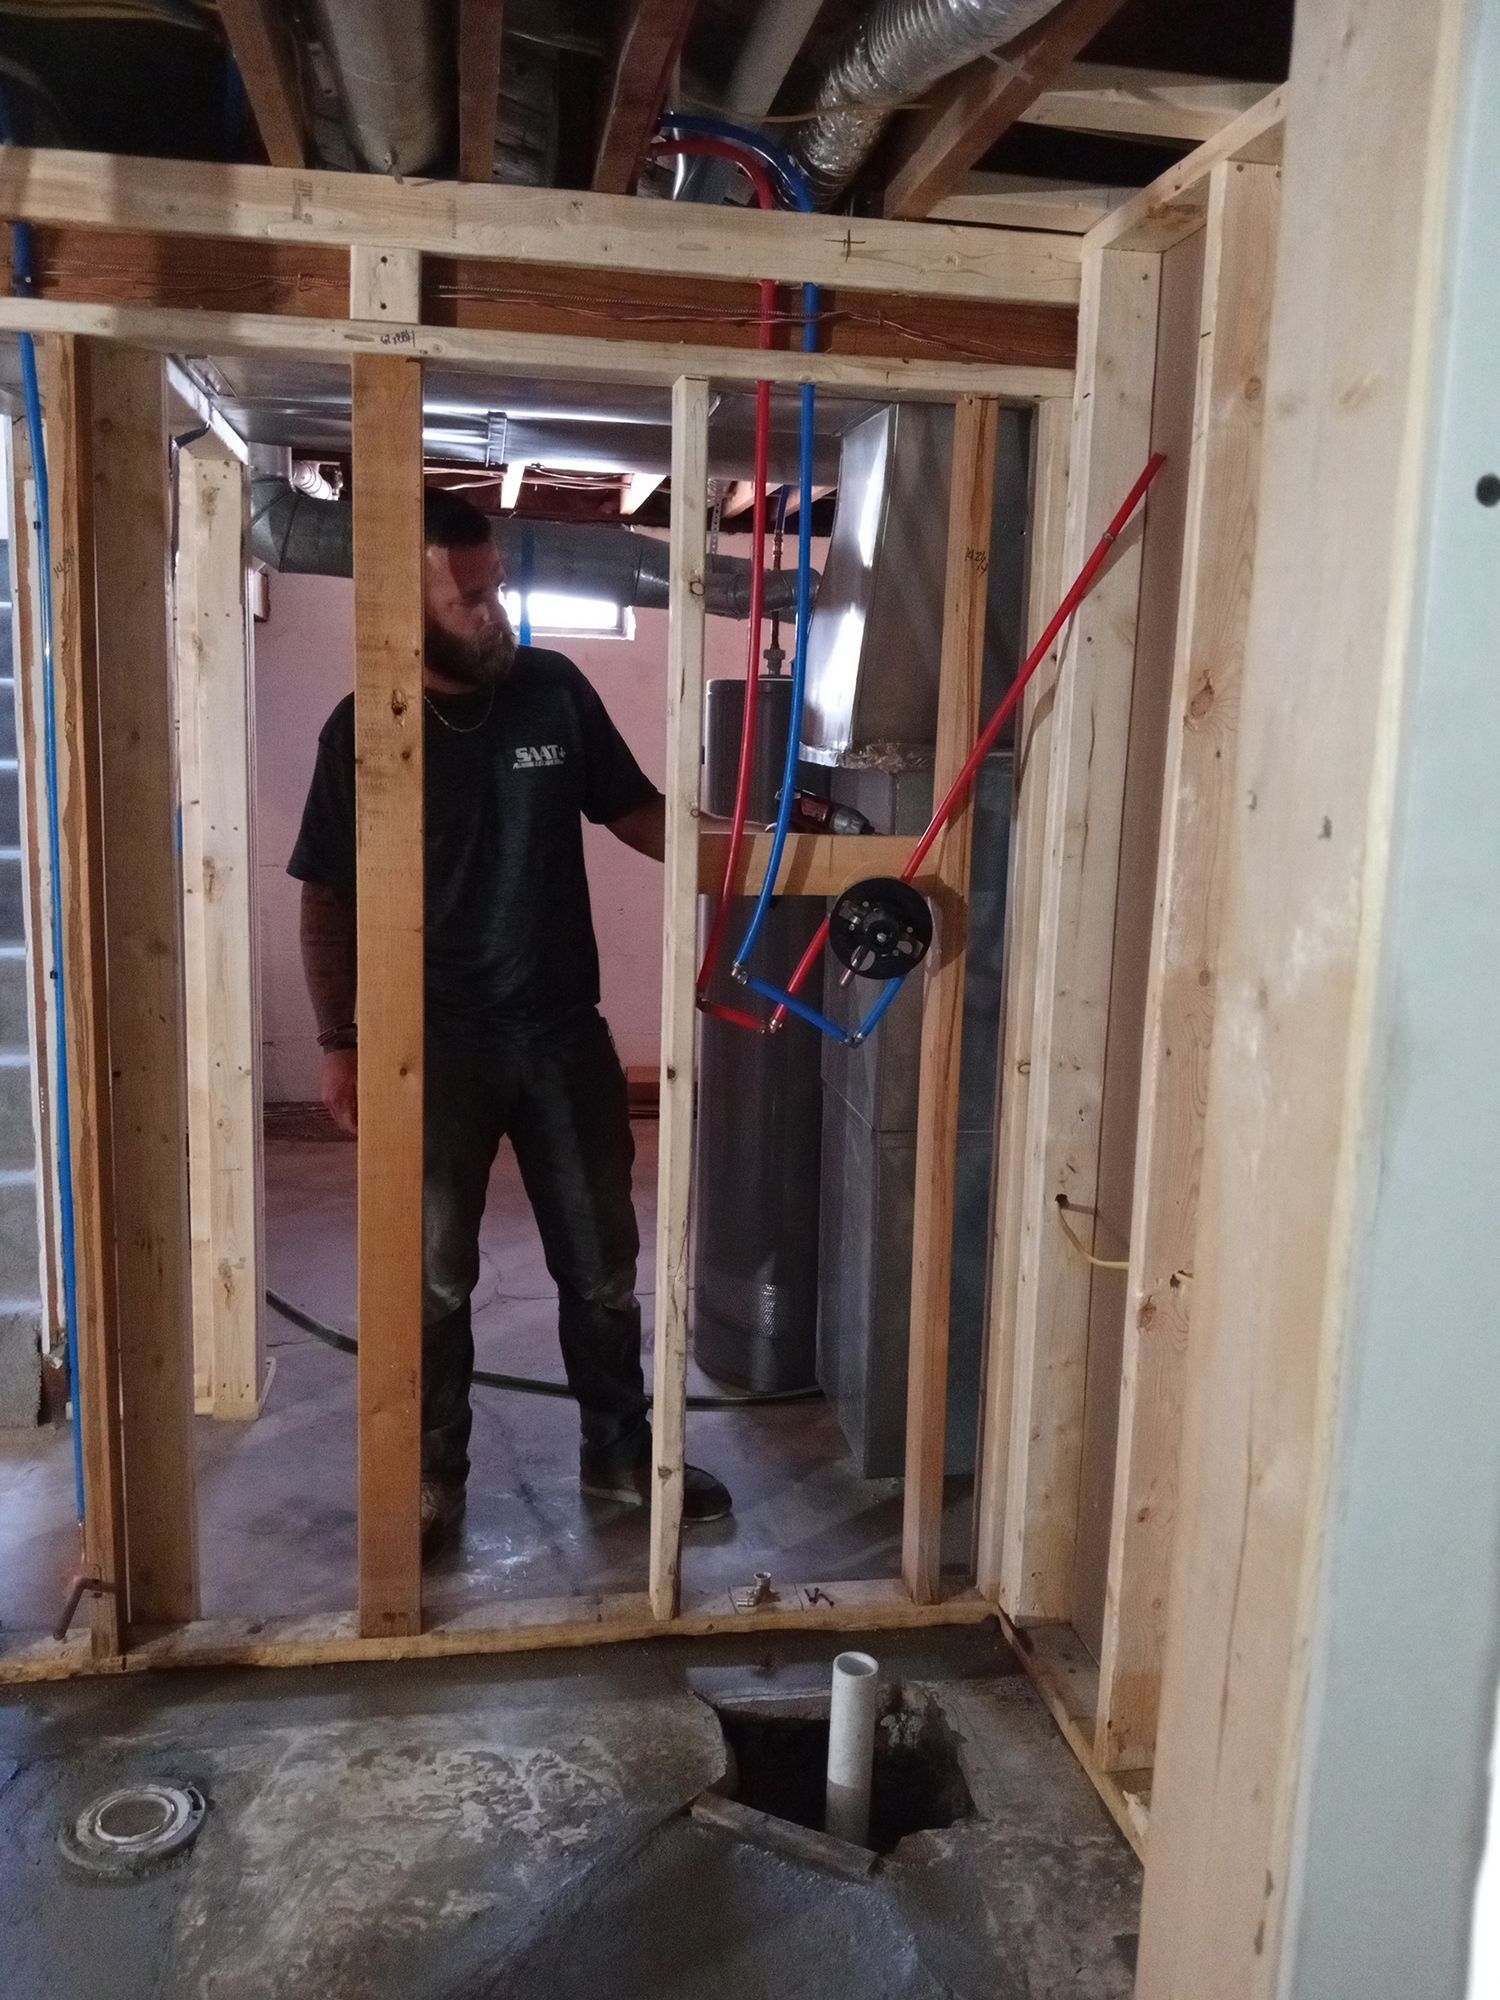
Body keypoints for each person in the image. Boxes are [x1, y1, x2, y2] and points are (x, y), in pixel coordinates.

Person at [289, 489, 732, 1559]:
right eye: (475, 598)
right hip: (429, 1047)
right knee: (433, 1277)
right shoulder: (366, 728)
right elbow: (326, 892)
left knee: (599, 1263)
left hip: (560, 1035)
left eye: (498, 589)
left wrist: (746, 859)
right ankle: (433, 1478)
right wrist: (340, 1040)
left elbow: (633, 807)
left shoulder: (553, 693)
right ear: (406, 609)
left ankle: (622, 1456)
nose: (499, 614)